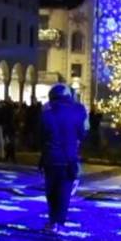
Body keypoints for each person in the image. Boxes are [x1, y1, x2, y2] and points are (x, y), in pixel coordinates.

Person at [39, 83, 87, 232]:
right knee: (64, 191)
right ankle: (59, 223)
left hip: (50, 157)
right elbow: (83, 133)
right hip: (69, 157)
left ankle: (52, 220)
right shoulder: (78, 111)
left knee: (51, 191)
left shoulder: (46, 114)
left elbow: (39, 135)